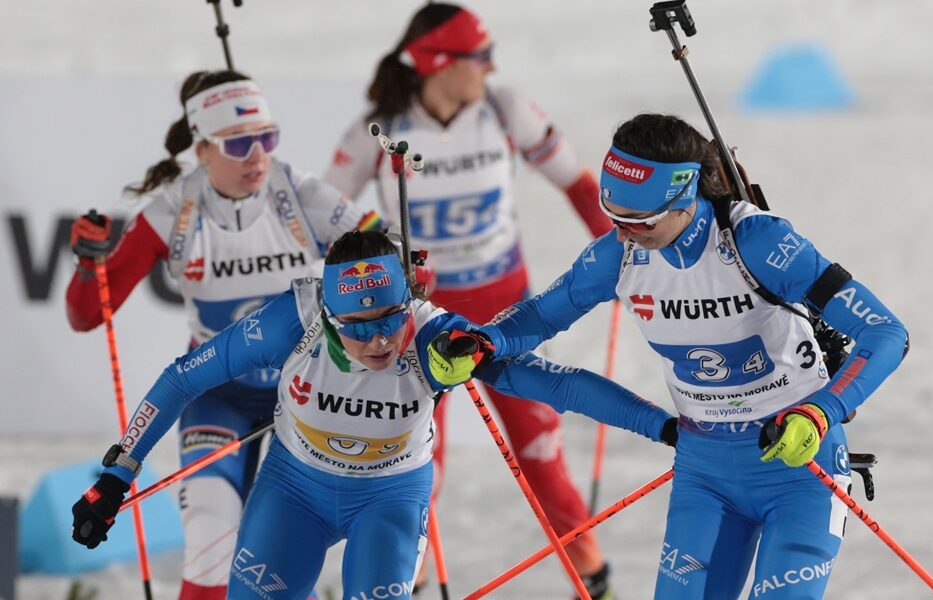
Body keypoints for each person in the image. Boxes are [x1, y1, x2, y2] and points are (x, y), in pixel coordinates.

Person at [434, 114, 910, 598]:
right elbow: (537, 319)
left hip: (799, 468)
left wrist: (819, 413)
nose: (623, 233)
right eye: (614, 216)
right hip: (705, 475)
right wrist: (483, 342)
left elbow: (886, 332)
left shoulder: (757, 243)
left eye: (639, 221)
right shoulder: (617, 256)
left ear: (684, 197)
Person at [70, 230, 674, 600]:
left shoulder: (435, 339)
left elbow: (556, 385)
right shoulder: (295, 319)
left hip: (388, 498)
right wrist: (116, 475)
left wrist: (664, 427)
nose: (380, 340)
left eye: (389, 316)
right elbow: (184, 378)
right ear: (330, 314)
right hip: (295, 491)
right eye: (357, 327)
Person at [324, 4, 616, 596]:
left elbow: (582, 187)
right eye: (478, 57)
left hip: (510, 316)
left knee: (541, 455)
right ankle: (406, 581)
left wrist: (629, 260)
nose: (491, 66)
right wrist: (381, 251)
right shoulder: (378, 131)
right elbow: (324, 216)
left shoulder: (506, 109)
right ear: (438, 63)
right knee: (414, 466)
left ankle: (594, 579)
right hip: (420, 322)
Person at [65, 70, 381, 600]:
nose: (257, 155)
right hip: (218, 396)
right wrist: (86, 264)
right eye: (239, 143)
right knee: (210, 544)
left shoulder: (301, 192)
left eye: (267, 137)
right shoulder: (170, 211)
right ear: (203, 147)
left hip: (304, 398)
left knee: (277, 562)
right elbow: (87, 315)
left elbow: (389, 266)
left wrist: (402, 262)